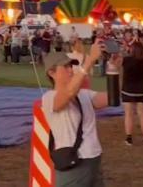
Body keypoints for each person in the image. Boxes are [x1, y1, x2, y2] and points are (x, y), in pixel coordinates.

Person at [41, 41, 108, 186]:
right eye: (65, 67)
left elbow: (113, 99)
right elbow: (68, 94)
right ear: (51, 73)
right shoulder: (49, 98)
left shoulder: (84, 94)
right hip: (74, 163)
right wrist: (89, 61)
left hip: (93, 159)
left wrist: (115, 70)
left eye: (71, 66)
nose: (71, 70)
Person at [121, 41, 143, 146]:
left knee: (129, 114)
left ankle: (129, 138)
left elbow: (116, 64)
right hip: (141, 90)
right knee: (142, 113)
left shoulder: (126, 60)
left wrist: (125, 50)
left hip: (128, 89)